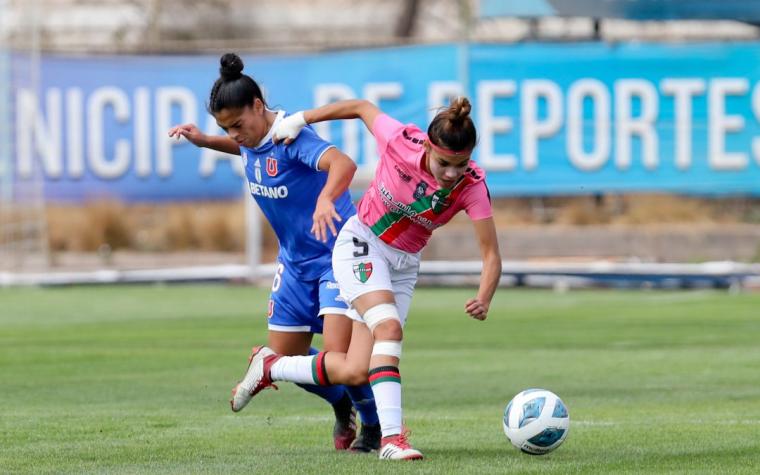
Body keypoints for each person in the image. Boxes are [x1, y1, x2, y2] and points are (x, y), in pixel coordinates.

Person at [233, 97, 502, 460]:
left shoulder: (472, 184)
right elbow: (361, 107)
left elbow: (490, 254)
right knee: (389, 331)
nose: (451, 174)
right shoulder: (399, 140)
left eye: (461, 164)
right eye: (444, 163)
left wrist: (484, 297)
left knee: (356, 369)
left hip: (404, 265)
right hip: (362, 243)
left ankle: (272, 365)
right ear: (426, 146)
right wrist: (300, 119)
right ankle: (392, 440)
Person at [168, 53, 381, 452]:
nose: (234, 134)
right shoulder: (249, 138)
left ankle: (373, 426)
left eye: (237, 125)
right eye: (225, 128)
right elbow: (248, 150)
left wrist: (326, 200)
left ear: (258, 108)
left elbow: (344, 164)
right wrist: (205, 140)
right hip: (294, 263)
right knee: (291, 362)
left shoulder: (290, 136)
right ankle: (340, 407)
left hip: (338, 257)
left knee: (338, 360)